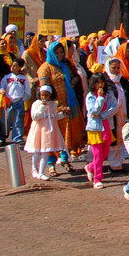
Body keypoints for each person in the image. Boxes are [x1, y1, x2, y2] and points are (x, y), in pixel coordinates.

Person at [38, 41, 83, 174]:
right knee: (51, 135)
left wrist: (74, 81)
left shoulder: (66, 65)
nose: (59, 54)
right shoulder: (45, 68)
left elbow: (74, 78)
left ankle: (65, 159)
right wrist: (53, 104)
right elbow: (44, 90)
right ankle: (51, 164)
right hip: (53, 107)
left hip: (68, 105)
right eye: (56, 52)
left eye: (61, 52)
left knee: (65, 135)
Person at [24, 85, 67, 180]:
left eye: (46, 95)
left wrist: (63, 114)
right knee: (37, 152)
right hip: (39, 129)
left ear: (50, 95)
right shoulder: (36, 104)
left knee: (46, 152)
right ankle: (34, 170)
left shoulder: (53, 104)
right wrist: (42, 107)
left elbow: (54, 116)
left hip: (49, 131)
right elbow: (35, 117)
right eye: (42, 95)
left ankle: (41, 172)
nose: (44, 97)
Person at [84, 74, 119, 189]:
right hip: (95, 128)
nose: (100, 85)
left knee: (105, 153)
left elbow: (114, 108)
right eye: (97, 82)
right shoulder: (90, 96)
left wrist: (102, 115)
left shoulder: (109, 94)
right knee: (98, 154)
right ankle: (97, 179)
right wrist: (100, 98)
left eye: (102, 82)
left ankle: (90, 167)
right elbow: (93, 111)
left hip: (106, 126)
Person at [0, 58, 30, 145]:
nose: (13, 67)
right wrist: (2, 90)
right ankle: (3, 136)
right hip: (9, 101)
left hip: (19, 101)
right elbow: (2, 86)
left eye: (15, 66)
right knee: (6, 119)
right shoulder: (7, 77)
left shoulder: (24, 78)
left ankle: (17, 137)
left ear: (20, 67)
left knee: (18, 119)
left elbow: (27, 90)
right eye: (12, 65)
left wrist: (23, 98)